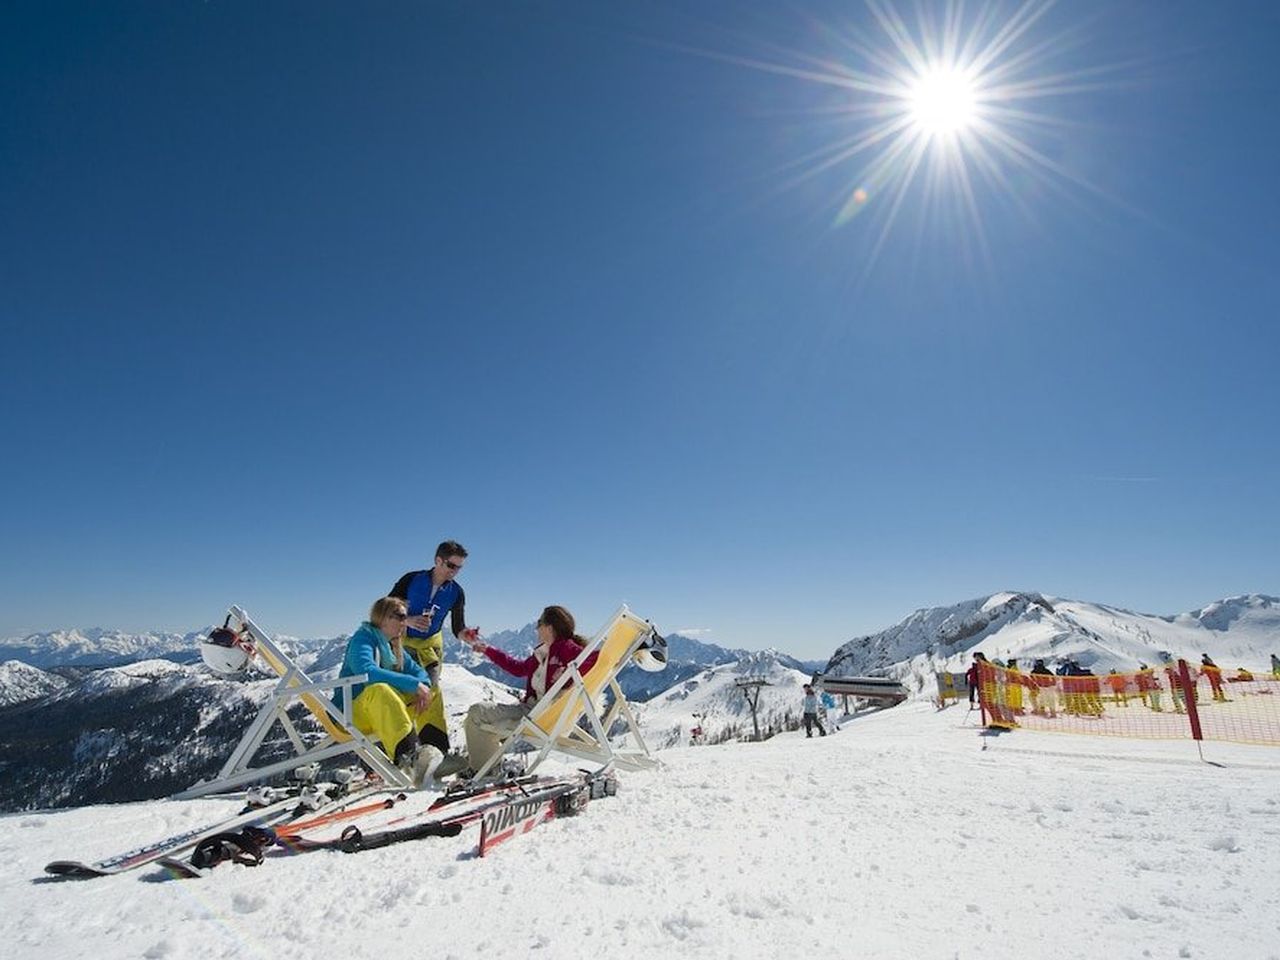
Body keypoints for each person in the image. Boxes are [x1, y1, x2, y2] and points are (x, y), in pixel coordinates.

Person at [458, 605, 599, 777]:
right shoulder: (542, 652)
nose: (536, 627)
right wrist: (487, 650)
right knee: (477, 711)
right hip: (529, 710)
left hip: (543, 717)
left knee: (478, 717)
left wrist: (567, 676)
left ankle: (483, 772)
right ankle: (487, 768)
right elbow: (517, 668)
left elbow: (594, 659)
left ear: (549, 627)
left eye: (539, 623)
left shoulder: (566, 648)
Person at [336, 596, 442, 787]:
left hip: (376, 713)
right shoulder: (363, 639)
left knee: (429, 692)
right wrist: (412, 685)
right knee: (380, 689)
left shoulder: (393, 646)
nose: (405, 622)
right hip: (349, 713)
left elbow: (420, 674)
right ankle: (410, 758)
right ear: (384, 618)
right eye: (401, 616)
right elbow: (367, 672)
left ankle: (433, 753)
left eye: (406, 616)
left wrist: (420, 687)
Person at [388, 540, 481, 752]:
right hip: (400, 645)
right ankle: (399, 749)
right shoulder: (411, 580)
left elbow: (458, 627)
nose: (455, 572)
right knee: (396, 692)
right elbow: (385, 610)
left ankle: (436, 752)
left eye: (459, 568)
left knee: (430, 691)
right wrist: (408, 620)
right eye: (451, 566)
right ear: (438, 560)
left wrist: (468, 636)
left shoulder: (456, 592)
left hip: (430, 649)